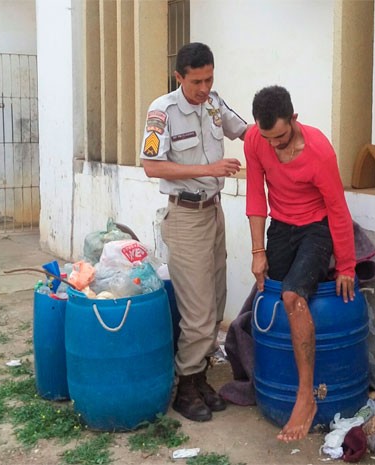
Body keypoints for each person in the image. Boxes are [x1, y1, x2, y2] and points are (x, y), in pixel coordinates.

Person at [140, 42, 249, 422]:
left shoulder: (215, 103)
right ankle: (185, 386)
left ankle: (200, 377)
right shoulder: (163, 111)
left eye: (209, 79)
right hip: (185, 217)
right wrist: (209, 170)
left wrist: (283, 132)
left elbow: (244, 132)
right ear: (180, 77)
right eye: (197, 81)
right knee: (199, 311)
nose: (204, 88)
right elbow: (151, 166)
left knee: (216, 300)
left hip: (213, 213)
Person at [244, 85, 356, 442]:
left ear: (294, 119)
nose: (273, 145)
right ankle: (263, 376)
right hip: (281, 226)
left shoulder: (319, 151)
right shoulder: (254, 139)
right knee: (270, 291)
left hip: (315, 228)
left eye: (280, 137)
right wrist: (257, 252)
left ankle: (306, 396)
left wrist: (347, 266)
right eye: (267, 138)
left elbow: (338, 209)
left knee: (293, 296)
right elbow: (254, 194)